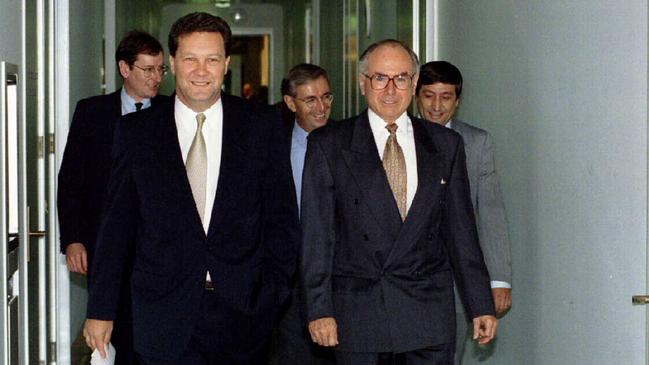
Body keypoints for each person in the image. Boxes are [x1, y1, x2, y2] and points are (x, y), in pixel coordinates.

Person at [82, 12, 298, 365]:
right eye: (190, 59)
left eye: (212, 59)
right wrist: (101, 309)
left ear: (226, 63)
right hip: (160, 314)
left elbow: (282, 220)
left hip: (244, 316)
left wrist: (272, 293)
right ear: (172, 62)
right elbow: (115, 227)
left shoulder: (262, 126)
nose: (201, 71)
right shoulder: (137, 133)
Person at [300, 39, 498, 365]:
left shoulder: (446, 145)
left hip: (427, 311)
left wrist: (480, 304)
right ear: (363, 84)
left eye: (401, 78)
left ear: (414, 83)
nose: (391, 89)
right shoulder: (330, 145)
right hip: (359, 313)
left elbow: (461, 232)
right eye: (380, 78)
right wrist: (319, 309)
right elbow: (317, 238)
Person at [57, 29, 168, 365]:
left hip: (156, 247)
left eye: (161, 69)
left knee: (148, 330)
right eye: (147, 69)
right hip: (103, 243)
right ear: (124, 69)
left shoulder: (169, 114)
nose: (156, 78)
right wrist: (73, 239)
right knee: (109, 327)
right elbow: (71, 179)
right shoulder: (92, 112)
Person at [415, 60, 512, 364]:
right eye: (429, 95)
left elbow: (491, 212)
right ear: (417, 96)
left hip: (455, 282)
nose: (436, 105)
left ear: (457, 101)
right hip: (402, 278)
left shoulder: (476, 143)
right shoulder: (395, 137)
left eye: (445, 97)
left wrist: (498, 280)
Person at [277, 63, 335, 365]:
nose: (321, 107)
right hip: (289, 280)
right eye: (310, 100)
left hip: (338, 278)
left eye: (327, 97)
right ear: (290, 103)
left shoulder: (347, 144)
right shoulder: (273, 148)